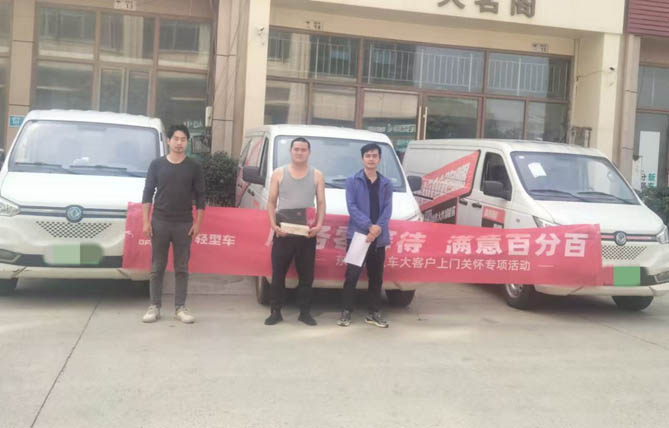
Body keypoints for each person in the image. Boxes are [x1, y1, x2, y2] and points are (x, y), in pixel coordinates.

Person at [141, 124, 205, 324]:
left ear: (187, 142)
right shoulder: (157, 165)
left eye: (183, 139)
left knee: (181, 268)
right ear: (168, 141)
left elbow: (201, 197)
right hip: (159, 222)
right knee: (157, 267)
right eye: (175, 139)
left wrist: (198, 224)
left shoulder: (194, 166)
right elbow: (147, 192)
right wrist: (146, 221)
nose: (179, 143)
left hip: (184, 224)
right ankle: (154, 306)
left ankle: (180, 307)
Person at [265, 137, 326, 326]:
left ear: (309, 152)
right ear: (291, 151)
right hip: (283, 232)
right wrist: (274, 226)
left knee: (306, 275)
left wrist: (319, 225)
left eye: (303, 149)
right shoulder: (279, 173)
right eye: (296, 149)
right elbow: (271, 202)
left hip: (306, 234)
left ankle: (304, 312)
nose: (299, 152)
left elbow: (321, 202)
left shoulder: (317, 175)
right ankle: (275, 311)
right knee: (278, 274)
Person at [337, 143, 392, 328]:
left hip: (379, 238)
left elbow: (387, 209)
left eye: (374, 155)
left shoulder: (386, 183)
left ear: (379, 159)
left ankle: (373, 313)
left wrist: (377, 229)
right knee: (352, 276)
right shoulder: (352, 181)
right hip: (358, 236)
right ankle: (346, 311)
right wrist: (369, 226)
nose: (371, 159)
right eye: (368, 155)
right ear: (362, 159)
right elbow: (351, 207)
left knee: (376, 278)